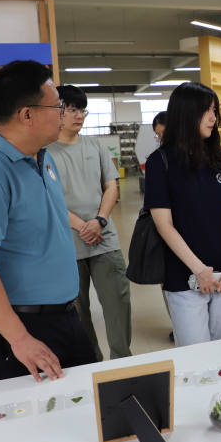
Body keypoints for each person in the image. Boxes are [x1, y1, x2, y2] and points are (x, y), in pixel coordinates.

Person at [0, 60, 97, 382]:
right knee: (36, 413)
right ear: (27, 114)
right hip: (23, 327)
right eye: (57, 106)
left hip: (66, 316)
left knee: (88, 402)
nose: (64, 114)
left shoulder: (42, 156)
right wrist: (20, 339)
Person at [144, 81, 221, 346]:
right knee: (195, 358)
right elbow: (164, 225)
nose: (213, 117)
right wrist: (199, 270)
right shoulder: (160, 162)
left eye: (214, 110)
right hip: (184, 279)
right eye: (206, 110)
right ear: (186, 113)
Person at [46, 85, 131, 361]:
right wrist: (82, 226)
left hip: (104, 240)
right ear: (57, 110)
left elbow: (111, 186)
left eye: (82, 110)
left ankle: (122, 362)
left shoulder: (96, 145)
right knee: (78, 313)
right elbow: (47, 199)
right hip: (68, 245)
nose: (79, 115)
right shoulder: (43, 153)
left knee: (118, 305)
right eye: (72, 109)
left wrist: (100, 220)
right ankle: (91, 364)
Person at [149, 110, 175, 343]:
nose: (162, 138)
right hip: (167, 235)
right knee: (169, 283)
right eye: (158, 135)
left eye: (164, 133)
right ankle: (177, 324)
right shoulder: (158, 160)